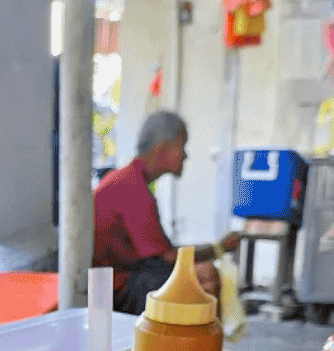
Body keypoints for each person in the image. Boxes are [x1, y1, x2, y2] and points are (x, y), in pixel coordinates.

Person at [93, 110, 240, 316]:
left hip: (122, 279)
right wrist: (218, 249)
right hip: (114, 290)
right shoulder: (130, 186)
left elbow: (162, 252)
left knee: (197, 272)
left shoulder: (131, 180)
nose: (185, 156)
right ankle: (196, 345)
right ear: (162, 148)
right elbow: (167, 258)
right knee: (205, 275)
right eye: (182, 146)